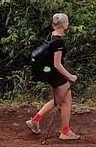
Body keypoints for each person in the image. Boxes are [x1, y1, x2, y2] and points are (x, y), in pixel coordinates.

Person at [26, 12, 80, 140]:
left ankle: (34, 121)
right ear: (64, 24)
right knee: (66, 102)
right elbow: (57, 64)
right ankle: (65, 132)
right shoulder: (58, 42)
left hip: (49, 73)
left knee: (57, 101)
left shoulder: (52, 35)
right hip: (56, 74)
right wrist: (70, 76)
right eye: (67, 22)